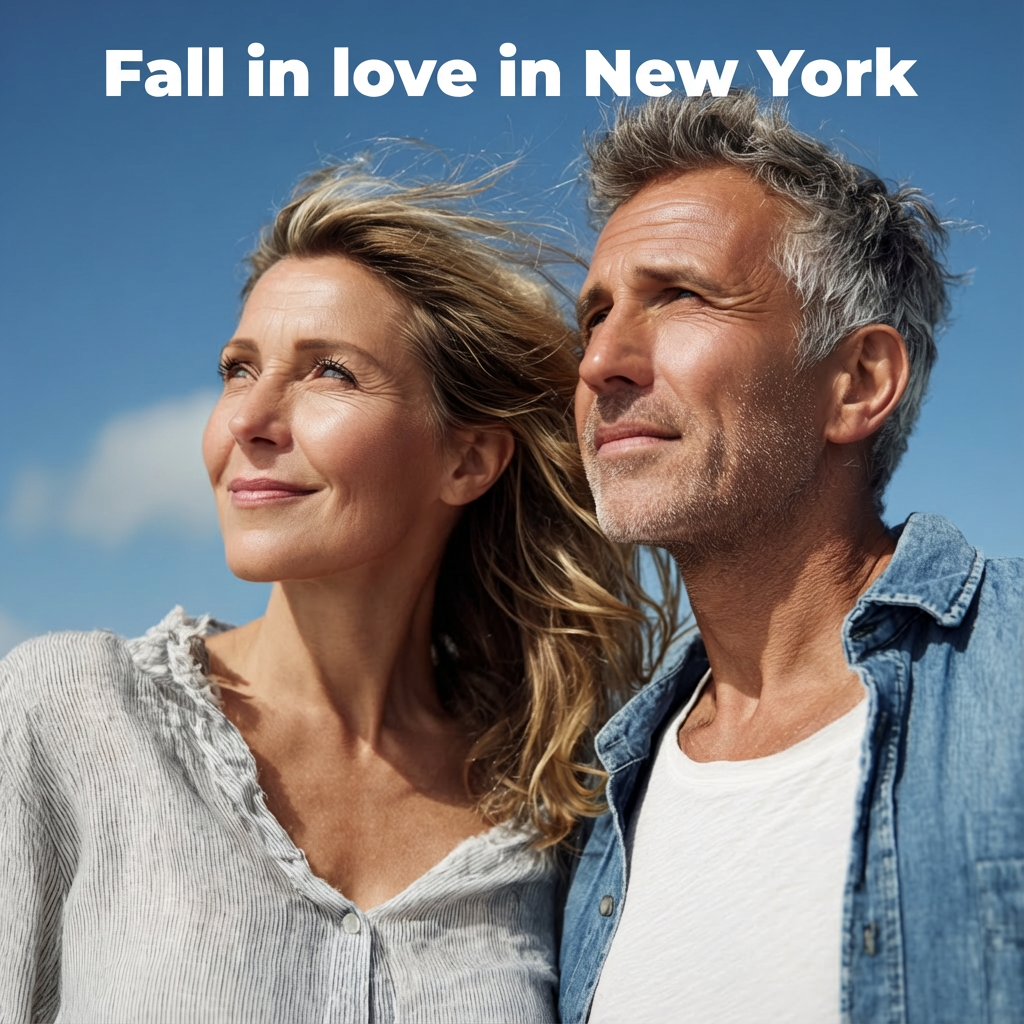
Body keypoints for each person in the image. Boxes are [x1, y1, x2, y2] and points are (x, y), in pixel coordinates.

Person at [0, 164, 678, 1023]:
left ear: (467, 460)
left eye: (330, 373)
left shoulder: (551, 806)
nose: (250, 419)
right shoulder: (71, 714)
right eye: (238, 369)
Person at [559, 91, 1024, 1024]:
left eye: (679, 296)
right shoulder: (596, 798)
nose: (600, 361)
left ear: (857, 382)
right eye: (595, 316)